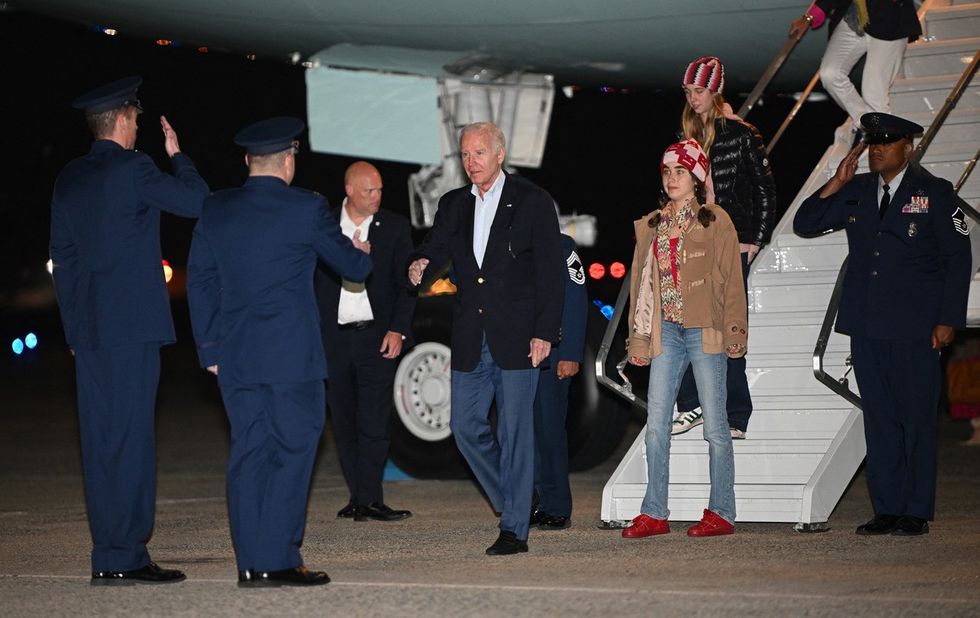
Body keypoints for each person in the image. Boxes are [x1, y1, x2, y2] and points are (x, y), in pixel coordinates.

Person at [187, 117, 372, 586]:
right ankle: (280, 559)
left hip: (236, 357)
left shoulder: (216, 209)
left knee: (249, 453)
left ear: (248, 162)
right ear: (288, 161)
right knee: (292, 451)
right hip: (291, 358)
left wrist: (210, 347)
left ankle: (251, 561)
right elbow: (351, 266)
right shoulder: (306, 208)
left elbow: (201, 281)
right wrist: (362, 249)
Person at [49, 76, 209, 585]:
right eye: (136, 118)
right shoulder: (136, 168)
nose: (138, 125)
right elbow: (198, 202)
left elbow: (65, 261)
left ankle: (109, 552)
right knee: (133, 440)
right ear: (122, 119)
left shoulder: (69, 178)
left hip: (90, 332)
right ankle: (129, 555)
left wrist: (75, 330)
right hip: (133, 330)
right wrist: (178, 154)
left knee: (100, 442)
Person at [794, 112, 972, 536]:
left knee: (916, 419)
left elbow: (958, 259)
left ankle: (915, 511)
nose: (876, 149)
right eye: (873, 142)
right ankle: (887, 508)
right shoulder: (856, 191)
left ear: (907, 148)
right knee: (880, 420)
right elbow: (806, 223)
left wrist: (949, 319)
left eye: (886, 142)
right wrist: (837, 180)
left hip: (915, 327)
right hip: (868, 324)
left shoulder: (936, 193)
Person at [407, 121, 564, 555]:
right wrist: (420, 263)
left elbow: (552, 275)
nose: (470, 162)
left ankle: (514, 529)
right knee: (463, 427)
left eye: (479, 153)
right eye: (465, 154)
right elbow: (436, 246)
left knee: (516, 435)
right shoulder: (453, 203)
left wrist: (545, 333)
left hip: (518, 339)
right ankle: (516, 498)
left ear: (500, 154)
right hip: (470, 336)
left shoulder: (532, 202)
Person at [621, 139, 746, 539]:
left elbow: (732, 281)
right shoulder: (654, 223)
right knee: (656, 425)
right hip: (667, 333)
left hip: (705, 328)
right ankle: (654, 512)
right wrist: (638, 342)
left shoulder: (715, 219)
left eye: (681, 172)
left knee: (715, 427)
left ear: (696, 177)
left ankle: (722, 512)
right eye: (668, 172)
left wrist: (735, 332)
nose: (673, 178)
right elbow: (642, 289)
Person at [671, 56, 777, 439]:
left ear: (715, 90)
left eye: (698, 90)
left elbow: (765, 190)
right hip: (695, 241)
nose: (693, 97)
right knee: (686, 323)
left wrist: (756, 241)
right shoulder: (686, 134)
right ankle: (691, 404)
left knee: (730, 326)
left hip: (734, 242)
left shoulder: (741, 133)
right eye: (688, 91)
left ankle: (736, 413)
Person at [314, 161, 417, 522]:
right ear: (349, 191)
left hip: (376, 337)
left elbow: (407, 285)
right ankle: (357, 496)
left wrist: (398, 329)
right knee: (342, 419)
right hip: (334, 338)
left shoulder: (395, 228)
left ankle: (372, 498)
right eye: (368, 191)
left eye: (379, 190)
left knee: (374, 419)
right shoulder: (322, 225)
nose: (376, 197)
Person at [789, 1, 921, 145]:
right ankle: (868, 124)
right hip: (855, 16)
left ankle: (882, 140)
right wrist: (809, 17)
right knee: (830, 73)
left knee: (874, 94)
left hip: (891, 19)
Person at [529, 232, 588, 530]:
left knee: (549, 433)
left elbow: (576, 297)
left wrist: (571, 353)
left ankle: (557, 506)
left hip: (553, 357)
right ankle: (531, 501)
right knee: (522, 436)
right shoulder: (506, 242)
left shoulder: (561, 245)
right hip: (517, 358)